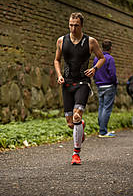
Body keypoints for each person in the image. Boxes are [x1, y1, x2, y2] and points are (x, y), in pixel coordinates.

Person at [54, 12, 105, 165]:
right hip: (67, 83)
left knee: (77, 116)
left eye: (76, 25)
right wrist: (59, 75)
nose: (73, 28)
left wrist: (95, 68)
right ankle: (79, 127)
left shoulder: (90, 42)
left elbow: (101, 57)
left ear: (81, 25)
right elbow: (56, 60)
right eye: (71, 25)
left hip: (83, 83)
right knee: (71, 123)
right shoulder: (61, 41)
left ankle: (76, 154)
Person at [93, 39, 118, 138]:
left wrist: (96, 81)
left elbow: (94, 71)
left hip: (100, 85)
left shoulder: (96, 59)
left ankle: (101, 128)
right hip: (109, 85)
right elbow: (112, 74)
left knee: (101, 107)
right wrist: (115, 82)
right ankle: (103, 131)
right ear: (110, 48)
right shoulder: (110, 59)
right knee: (107, 108)